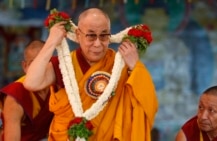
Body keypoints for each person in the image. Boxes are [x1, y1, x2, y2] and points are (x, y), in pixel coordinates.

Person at [23, 8, 158, 141]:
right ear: (78, 35)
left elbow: (146, 106)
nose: (98, 44)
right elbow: (31, 83)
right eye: (91, 35)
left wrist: (135, 67)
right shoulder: (64, 64)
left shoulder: (120, 65)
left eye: (104, 35)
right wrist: (51, 41)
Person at [0, 40, 54, 141]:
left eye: (44, 62)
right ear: (25, 66)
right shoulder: (16, 95)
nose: (39, 69)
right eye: (34, 64)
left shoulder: (57, 87)